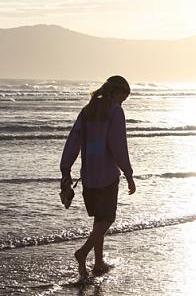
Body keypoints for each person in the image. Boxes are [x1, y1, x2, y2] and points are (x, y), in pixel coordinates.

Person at [60, 75, 136, 278]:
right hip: (108, 175)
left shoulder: (87, 111)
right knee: (107, 219)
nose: (123, 102)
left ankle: (99, 262)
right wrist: (129, 174)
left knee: (98, 220)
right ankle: (83, 253)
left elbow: (72, 142)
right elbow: (118, 147)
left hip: (89, 176)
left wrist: (65, 170)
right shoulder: (115, 112)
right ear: (117, 93)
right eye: (123, 97)